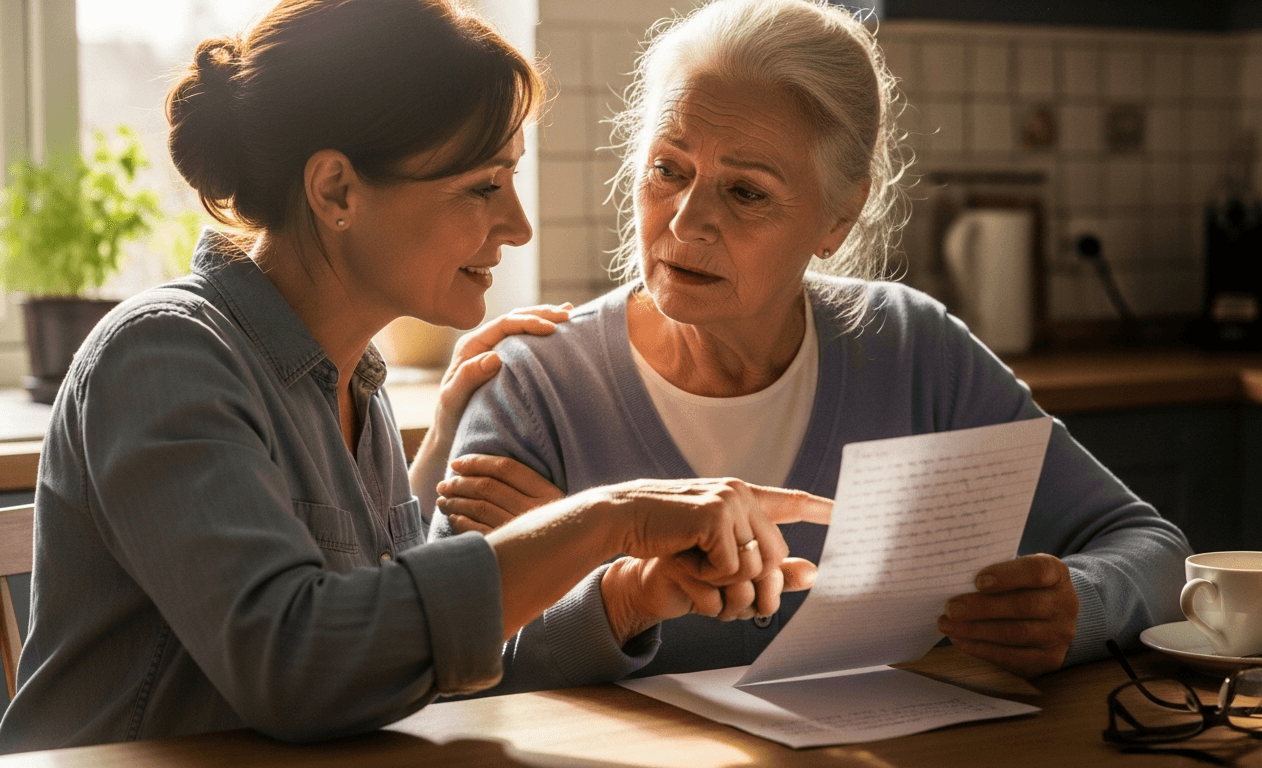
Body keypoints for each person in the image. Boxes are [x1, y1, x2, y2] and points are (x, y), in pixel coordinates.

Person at [0, 0, 830, 753]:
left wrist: (625, 594)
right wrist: (608, 520)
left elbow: (402, 659)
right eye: (483, 185)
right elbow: (300, 664)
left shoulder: (349, 382)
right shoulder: (164, 358)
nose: (518, 224)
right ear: (336, 190)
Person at [434, 0, 1192, 682]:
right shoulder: (532, 385)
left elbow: (1151, 548)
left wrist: (1080, 605)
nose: (687, 218)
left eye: (746, 191)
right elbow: (442, 654)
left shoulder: (912, 349)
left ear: (838, 216)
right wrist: (621, 597)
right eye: (668, 168)